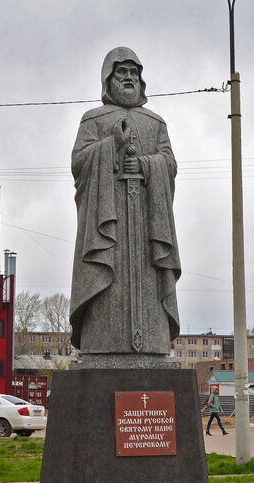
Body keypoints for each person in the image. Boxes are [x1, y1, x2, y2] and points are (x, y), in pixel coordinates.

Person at [69, 47, 181, 362]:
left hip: (147, 227)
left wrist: (146, 165)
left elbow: (169, 163)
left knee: (149, 283)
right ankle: (102, 343)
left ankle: (152, 343)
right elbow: (79, 162)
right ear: (109, 78)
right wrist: (111, 145)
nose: (129, 78)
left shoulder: (155, 123)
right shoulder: (93, 119)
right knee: (106, 285)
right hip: (108, 226)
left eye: (134, 73)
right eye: (122, 72)